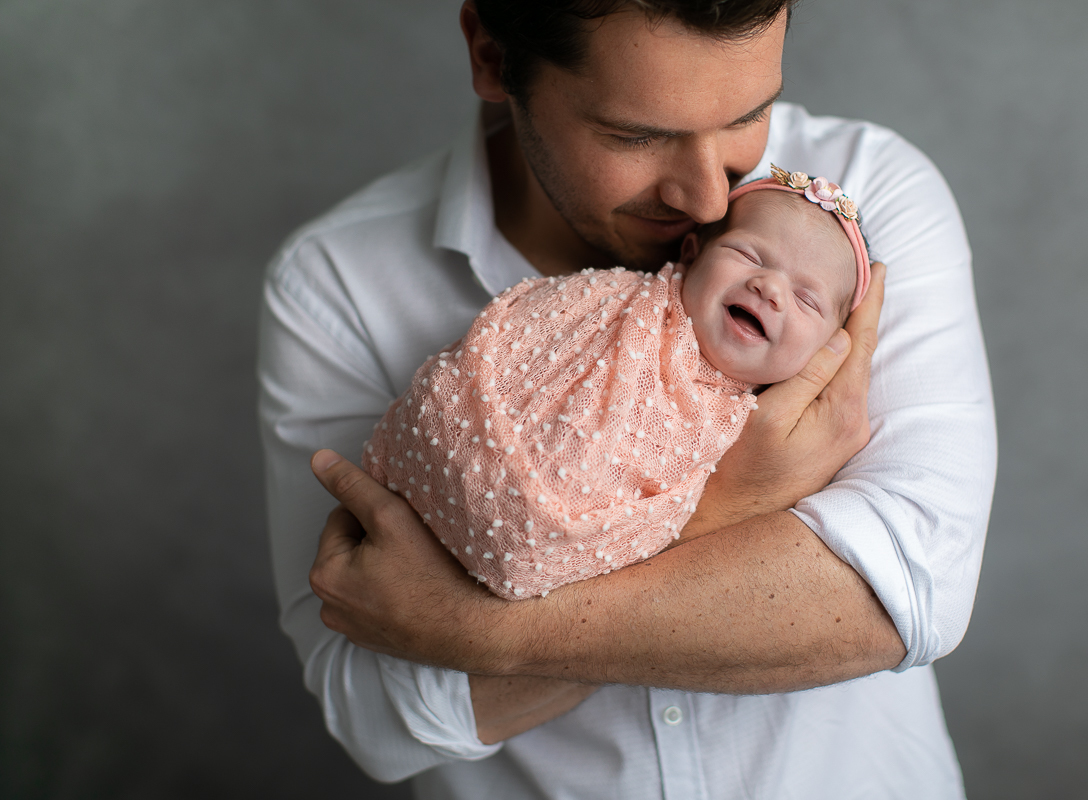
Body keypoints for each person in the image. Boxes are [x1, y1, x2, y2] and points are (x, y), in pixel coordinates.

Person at [257, 1, 996, 797]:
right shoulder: (336, 285)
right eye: (637, 136)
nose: (711, 201)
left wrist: (480, 633)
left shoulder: (865, 201)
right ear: (491, 57)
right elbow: (376, 716)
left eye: (749, 114)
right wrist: (731, 507)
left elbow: (906, 595)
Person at [365, 169, 873, 599]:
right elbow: (526, 333)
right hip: (464, 439)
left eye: (808, 300)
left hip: (542, 556)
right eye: (749, 256)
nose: (771, 288)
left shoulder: (769, 432)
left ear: (831, 347)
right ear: (692, 253)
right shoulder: (613, 299)